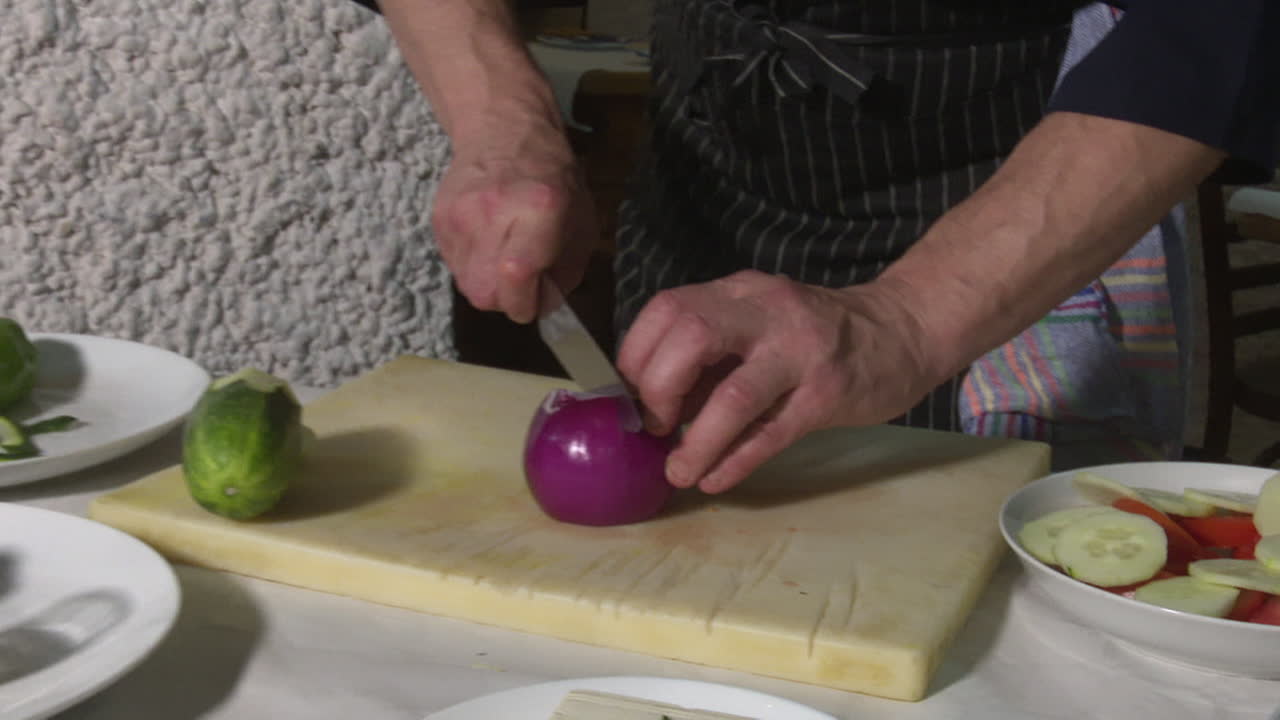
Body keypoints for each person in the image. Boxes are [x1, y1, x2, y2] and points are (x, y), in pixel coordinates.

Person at [355, 0, 1280, 493]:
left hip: (1016, 188)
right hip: (704, 169)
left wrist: (907, 318)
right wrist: (500, 120)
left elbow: (1221, 20)